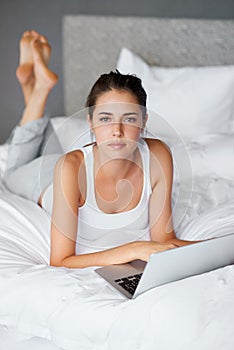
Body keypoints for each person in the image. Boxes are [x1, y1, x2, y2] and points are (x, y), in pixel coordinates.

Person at [3, 31, 198, 269]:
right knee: (13, 169)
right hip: (45, 181)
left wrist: (220, 249)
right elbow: (61, 261)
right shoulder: (70, 167)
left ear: (144, 121)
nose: (117, 131)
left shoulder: (158, 155)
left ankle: (34, 89)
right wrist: (134, 249)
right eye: (105, 119)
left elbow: (164, 241)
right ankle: (38, 91)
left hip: (68, 168)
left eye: (129, 119)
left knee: (45, 142)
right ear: (90, 123)